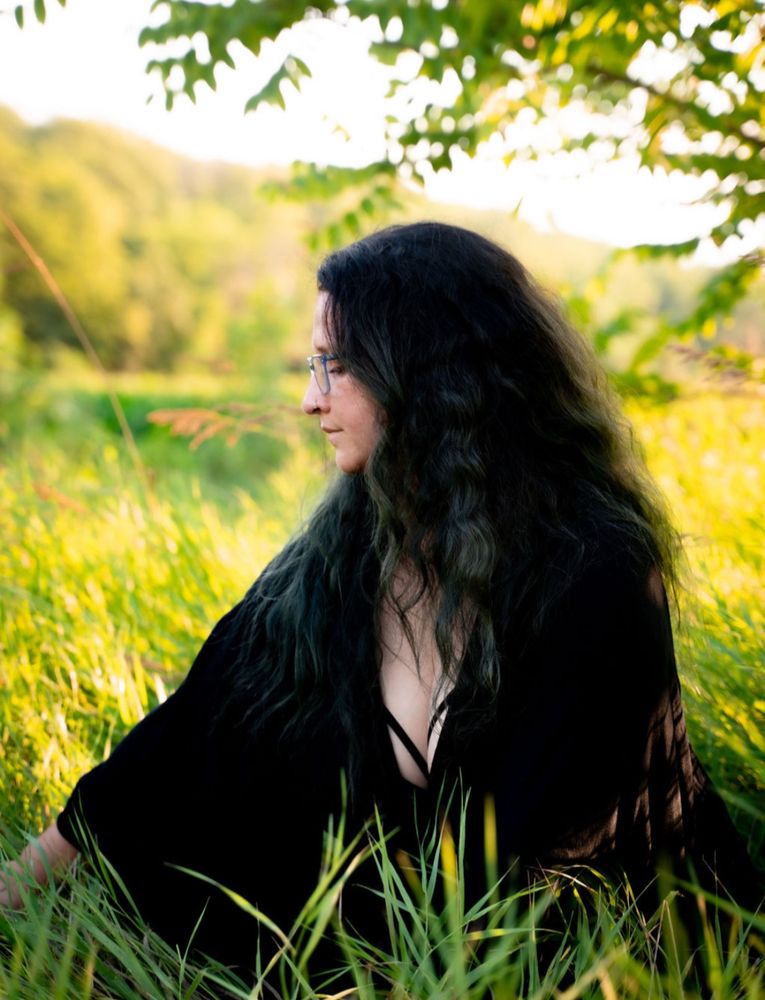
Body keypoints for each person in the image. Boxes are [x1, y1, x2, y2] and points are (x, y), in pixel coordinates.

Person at [1, 222, 760, 971]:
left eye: (336, 365)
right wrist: (16, 892)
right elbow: (181, 735)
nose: (309, 399)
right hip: (425, 943)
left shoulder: (597, 569)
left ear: (425, 373)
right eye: (311, 363)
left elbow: (551, 860)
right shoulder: (351, 549)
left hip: (610, 953)